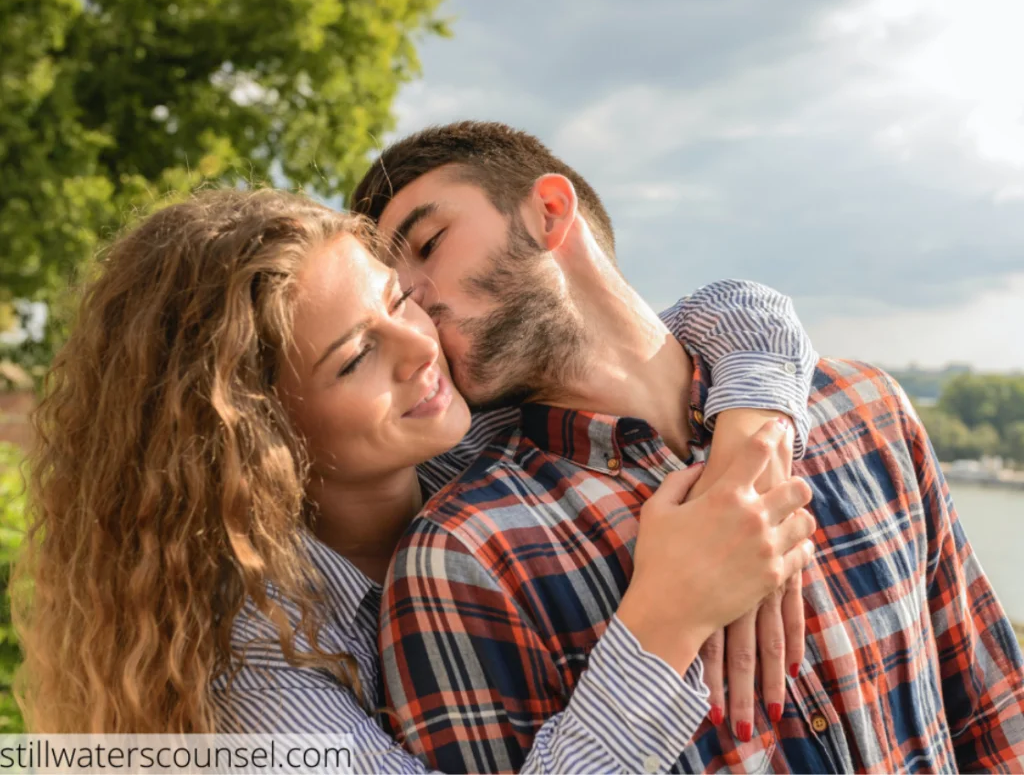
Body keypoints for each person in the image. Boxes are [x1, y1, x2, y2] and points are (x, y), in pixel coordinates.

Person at [14, 188, 817, 774]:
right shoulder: (253, 676)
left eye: (401, 299)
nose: (421, 346)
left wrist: (751, 446)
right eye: (357, 357)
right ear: (257, 436)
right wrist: (664, 622)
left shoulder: (471, 438)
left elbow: (730, 315)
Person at [353, 121, 1024, 774]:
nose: (409, 299)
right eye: (390, 291)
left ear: (550, 212)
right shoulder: (462, 557)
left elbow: (995, 718)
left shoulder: (866, 409)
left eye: (429, 243)